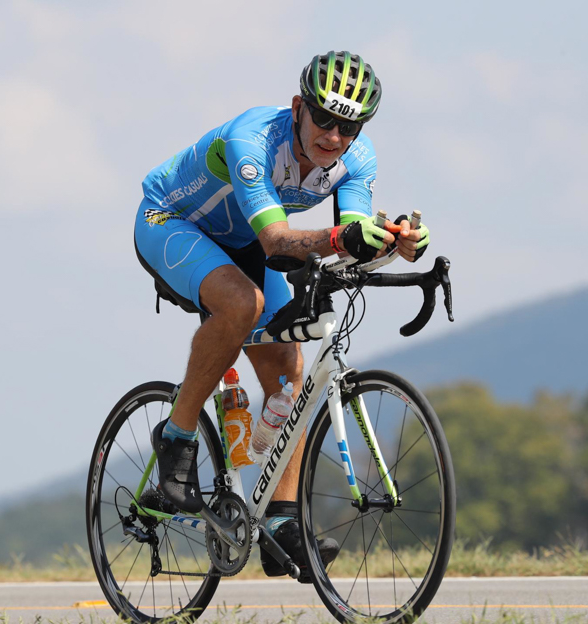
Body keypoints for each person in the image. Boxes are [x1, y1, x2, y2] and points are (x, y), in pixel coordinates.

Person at [133, 50, 430, 577]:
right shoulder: (252, 140)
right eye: (324, 119)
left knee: (290, 370)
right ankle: (176, 439)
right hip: (173, 222)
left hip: (245, 242)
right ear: (298, 108)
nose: (334, 137)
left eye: (349, 127)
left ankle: (281, 521)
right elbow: (277, 240)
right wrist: (343, 238)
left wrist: (394, 243)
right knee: (242, 303)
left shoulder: (357, 160)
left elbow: (350, 241)